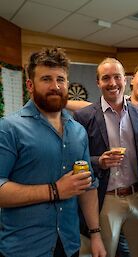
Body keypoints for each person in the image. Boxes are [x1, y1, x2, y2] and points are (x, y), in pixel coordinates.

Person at [0, 48, 106, 257]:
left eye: (61, 79)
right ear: (30, 85)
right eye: (46, 79)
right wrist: (55, 190)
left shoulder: (78, 131)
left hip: (68, 245)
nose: (55, 86)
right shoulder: (9, 128)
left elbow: (87, 185)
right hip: (24, 248)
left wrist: (95, 234)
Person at [73, 58, 138, 257]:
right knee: (106, 254)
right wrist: (98, 161)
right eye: (106, 78)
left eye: (117, 77)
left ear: (125, 79)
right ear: (98, 83)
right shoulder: (84, 116)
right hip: (106, 200)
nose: (112, 83)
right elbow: (77, 159)